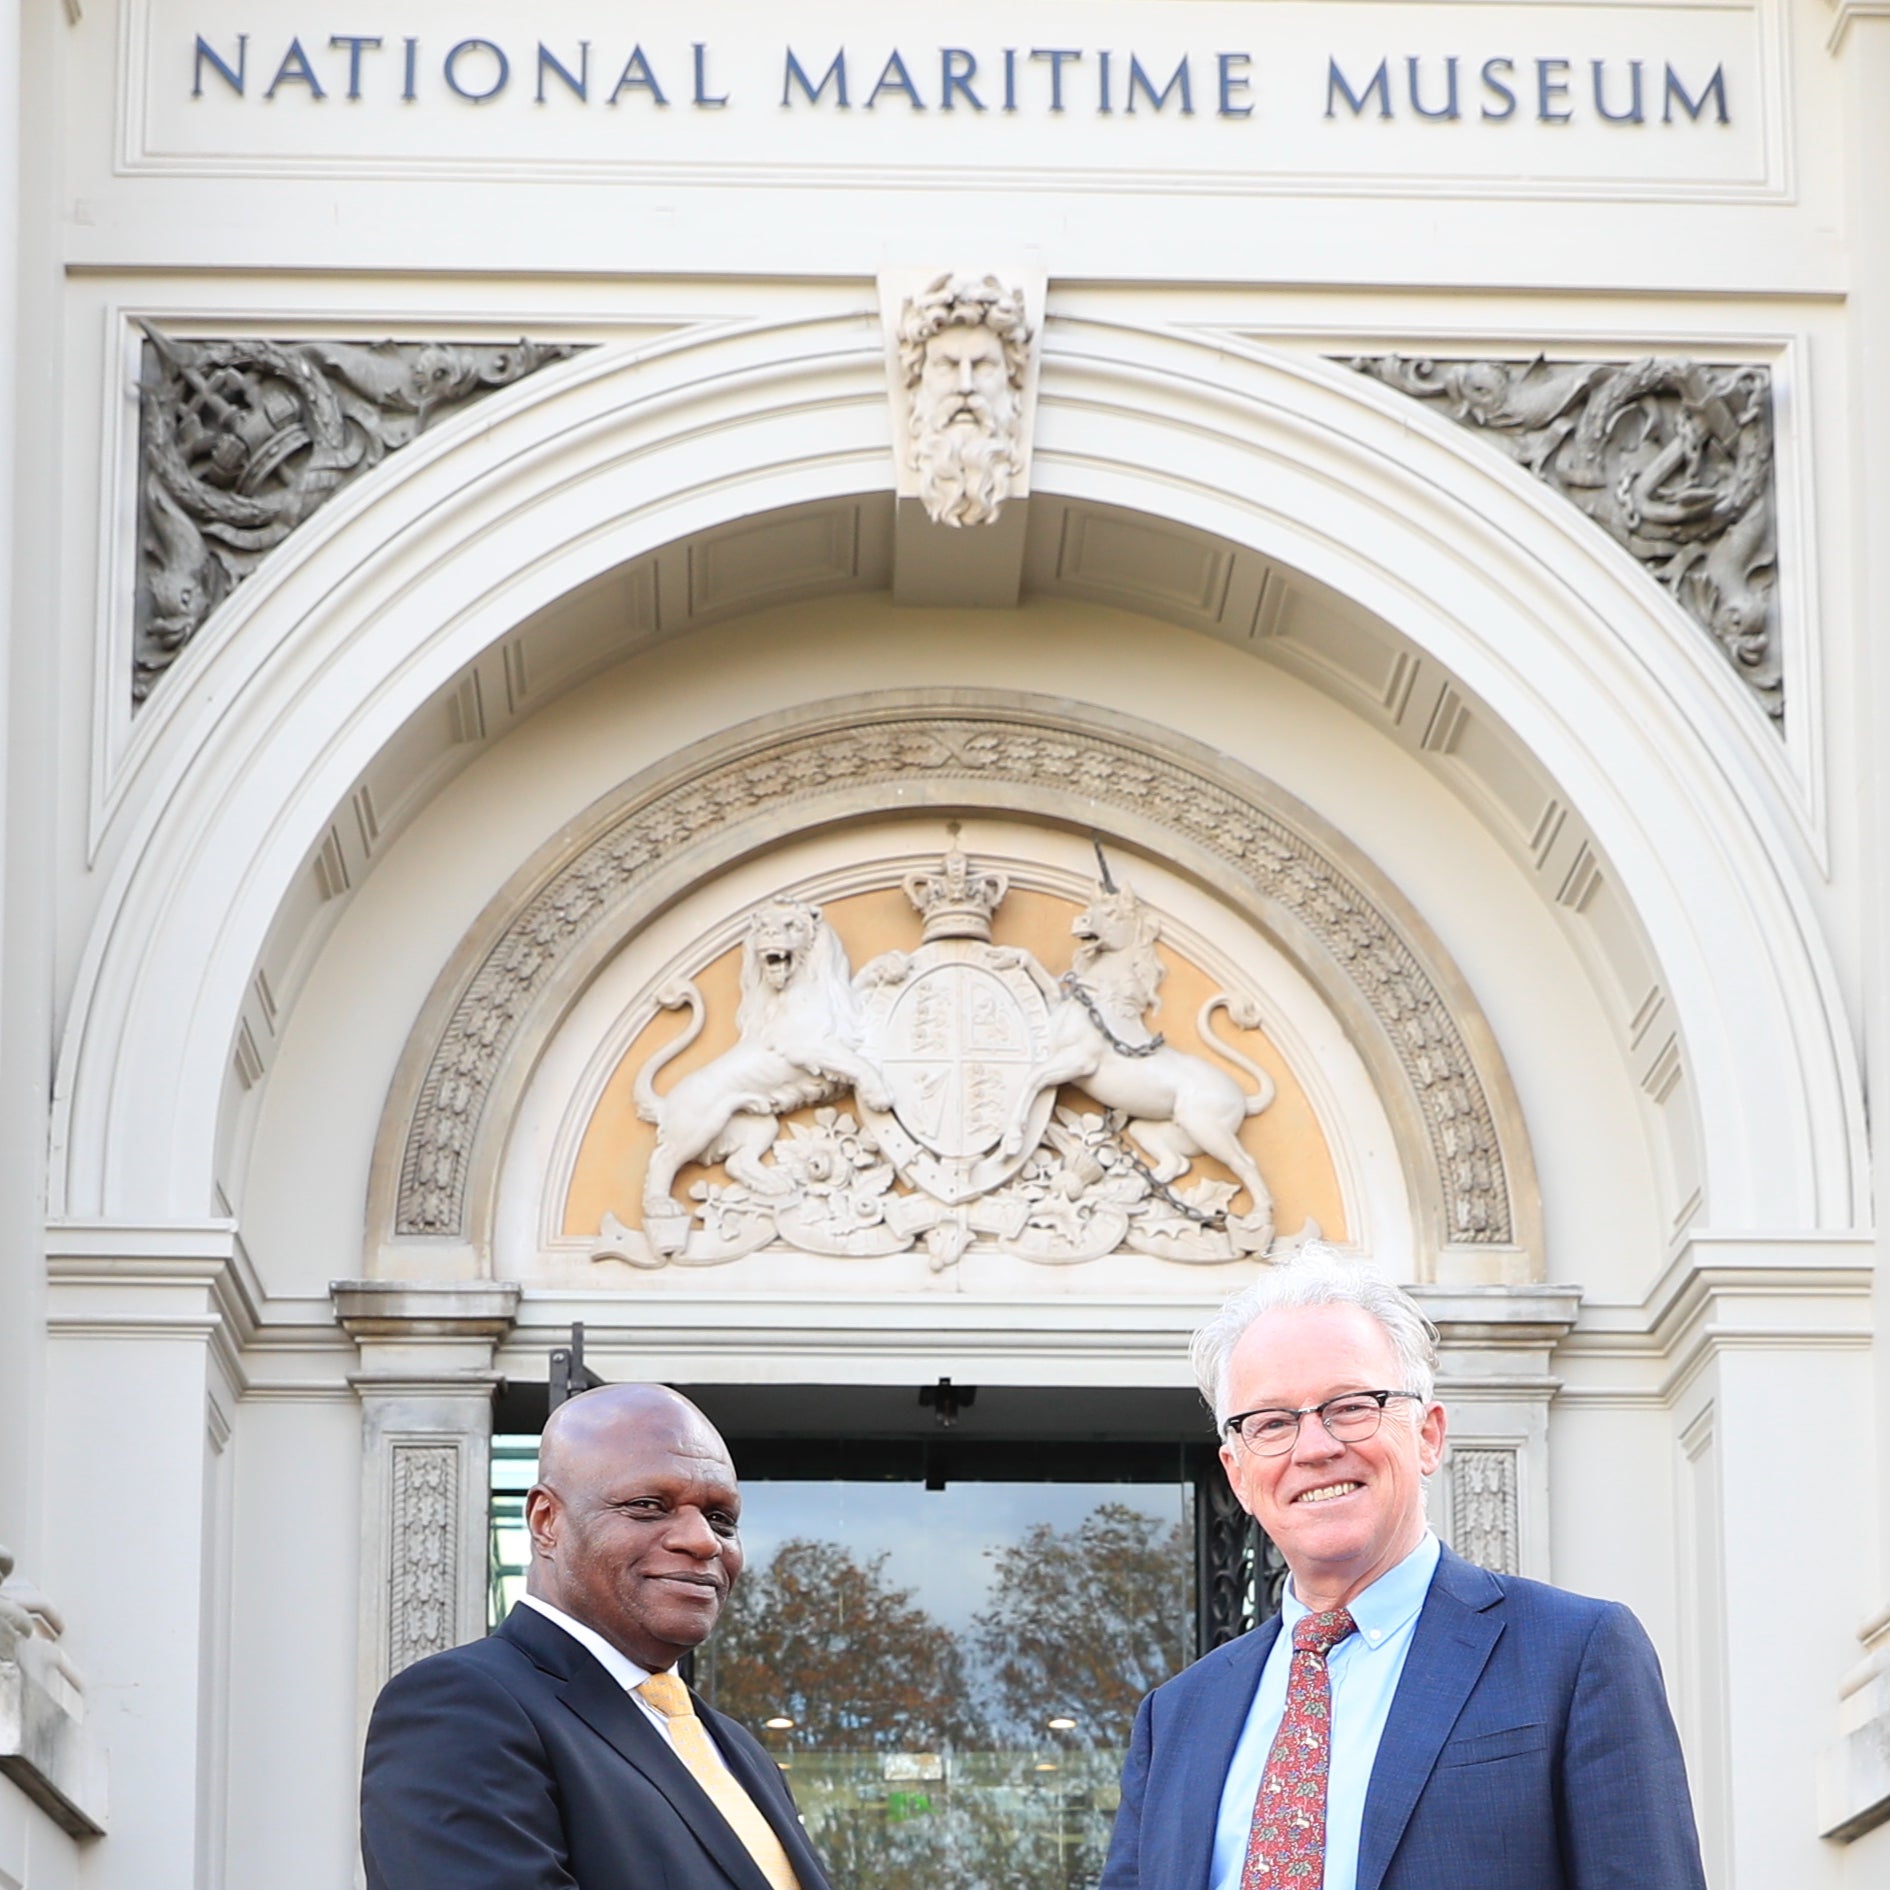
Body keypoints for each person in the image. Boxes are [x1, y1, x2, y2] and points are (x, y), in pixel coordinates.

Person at [1101, 1247, 1708, 1890]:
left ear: (1428, 1435)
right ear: (1238, 1474)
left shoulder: (1576, 1654)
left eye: (1352, 1406)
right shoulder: (1175, 1718)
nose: (1315, 1448)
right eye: (1273, 1422)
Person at [361, 1382, 831, 1890]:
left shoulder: (737, 1749)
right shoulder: (461, 1707)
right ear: (547, 1521)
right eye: (649, 1505)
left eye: (721, 1518)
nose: (702, 1540)